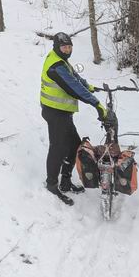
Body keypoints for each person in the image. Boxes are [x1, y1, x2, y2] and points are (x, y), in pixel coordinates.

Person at [40, 32, 108, 206]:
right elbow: (73, 87)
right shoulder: (55, 66)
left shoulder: (60, 60)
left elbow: (74, 78)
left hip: (62, 112)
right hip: (55, 113)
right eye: (64, 47)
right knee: (58, 149)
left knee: (74, 146)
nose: (68, 50)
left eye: (70, 47)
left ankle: (65, 181)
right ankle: (52, 185)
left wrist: (89, 86)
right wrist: (97, 104)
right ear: (57, 47)